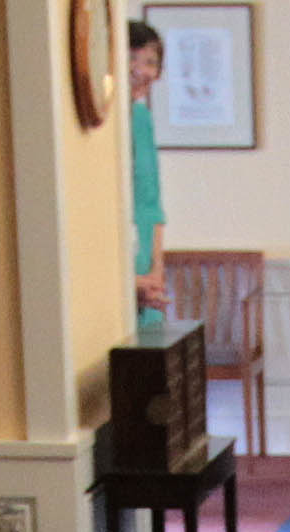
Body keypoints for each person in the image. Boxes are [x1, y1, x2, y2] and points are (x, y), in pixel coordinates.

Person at [127, 18, 168, 332]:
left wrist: (156, 273)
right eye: (132, 58)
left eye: (151, 62)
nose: (143, 71)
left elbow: (152, 203)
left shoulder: (142, 119)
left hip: (145, 274)